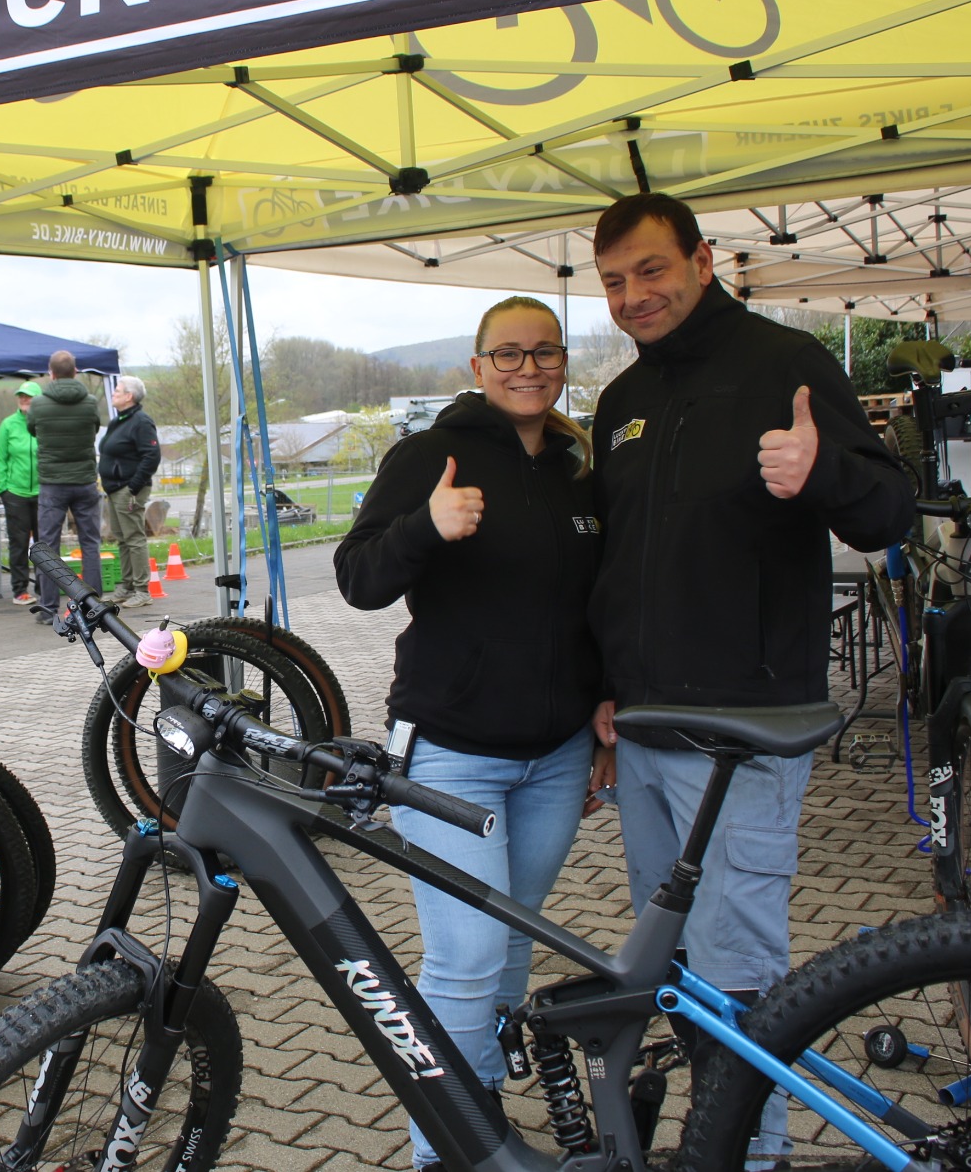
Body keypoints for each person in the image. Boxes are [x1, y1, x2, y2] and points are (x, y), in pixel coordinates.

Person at [589, 192, 914, 1168]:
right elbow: (614, 560)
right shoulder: (620, 402)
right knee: (675, 973)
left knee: (738, 974)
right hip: (642, 734)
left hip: (740, 738)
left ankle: (750, 1153)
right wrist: (600, 689)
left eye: (650, 270)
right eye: (612, 282)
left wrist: (820, 470)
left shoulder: (784, 365)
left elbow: (887, 510)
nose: (633, 296)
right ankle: (714, 1136)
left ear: (702, 259)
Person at [335, 296, 613, 1172]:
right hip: (453, 754)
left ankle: (480, 1106)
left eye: (544, 352)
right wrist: (428, 525)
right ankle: (443, 1151)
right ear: (476, 364)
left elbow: (594, 604)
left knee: (512, 944)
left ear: (562, 359)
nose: (528, 367)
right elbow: (357, 576)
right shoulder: (430, 454)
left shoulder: (577, 464)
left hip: (559, 754)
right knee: (465, 957)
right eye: (508, 353)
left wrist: (603, 710)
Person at [29, 350, 104, 625]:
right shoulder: (91, 402)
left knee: (47, 547)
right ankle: (94, 606)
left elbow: (32, 430)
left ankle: (49, 609)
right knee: (90, 544)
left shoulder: (38, 404)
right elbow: (94, 428)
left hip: (52, 483)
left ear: (51, 373)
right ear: (75, 372)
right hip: (84, 481)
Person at [98, 375, 163, 609]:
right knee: (122, 539)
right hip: (114, 488)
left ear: (129, 396)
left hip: (129, 488)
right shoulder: (119, 421)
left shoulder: (141, 422)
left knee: (134, 539)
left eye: (117, 390)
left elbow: (152, 455)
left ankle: (142, 590)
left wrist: (133, 486)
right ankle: (125, 587)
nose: (113, 394)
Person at [0, 381, 43, 605]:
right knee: (19, 542)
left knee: (45, 544)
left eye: (29, 396)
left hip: (43, 492)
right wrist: (4, 487)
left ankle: (46, 587)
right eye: (21, 396)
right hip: (16, 493)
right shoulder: (8, 425)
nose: (24, 399)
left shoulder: (44, 422)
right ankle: (20, 589)